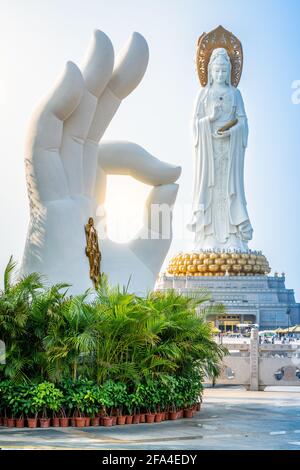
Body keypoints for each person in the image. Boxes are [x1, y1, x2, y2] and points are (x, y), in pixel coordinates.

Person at [187, 48, 253, 251]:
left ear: (230, 71)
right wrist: (211, 119)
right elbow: (194, 125)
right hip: (209, 152)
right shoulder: (203, 94)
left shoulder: (235, 94)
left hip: (230, 152)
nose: (220, 75)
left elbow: (243, 122)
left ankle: (233, 236)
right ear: (209, 71)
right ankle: (208, 236)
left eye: (224, 71)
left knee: (229, 190)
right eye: (217, 71)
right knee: (210, 189)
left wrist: (233, 131)